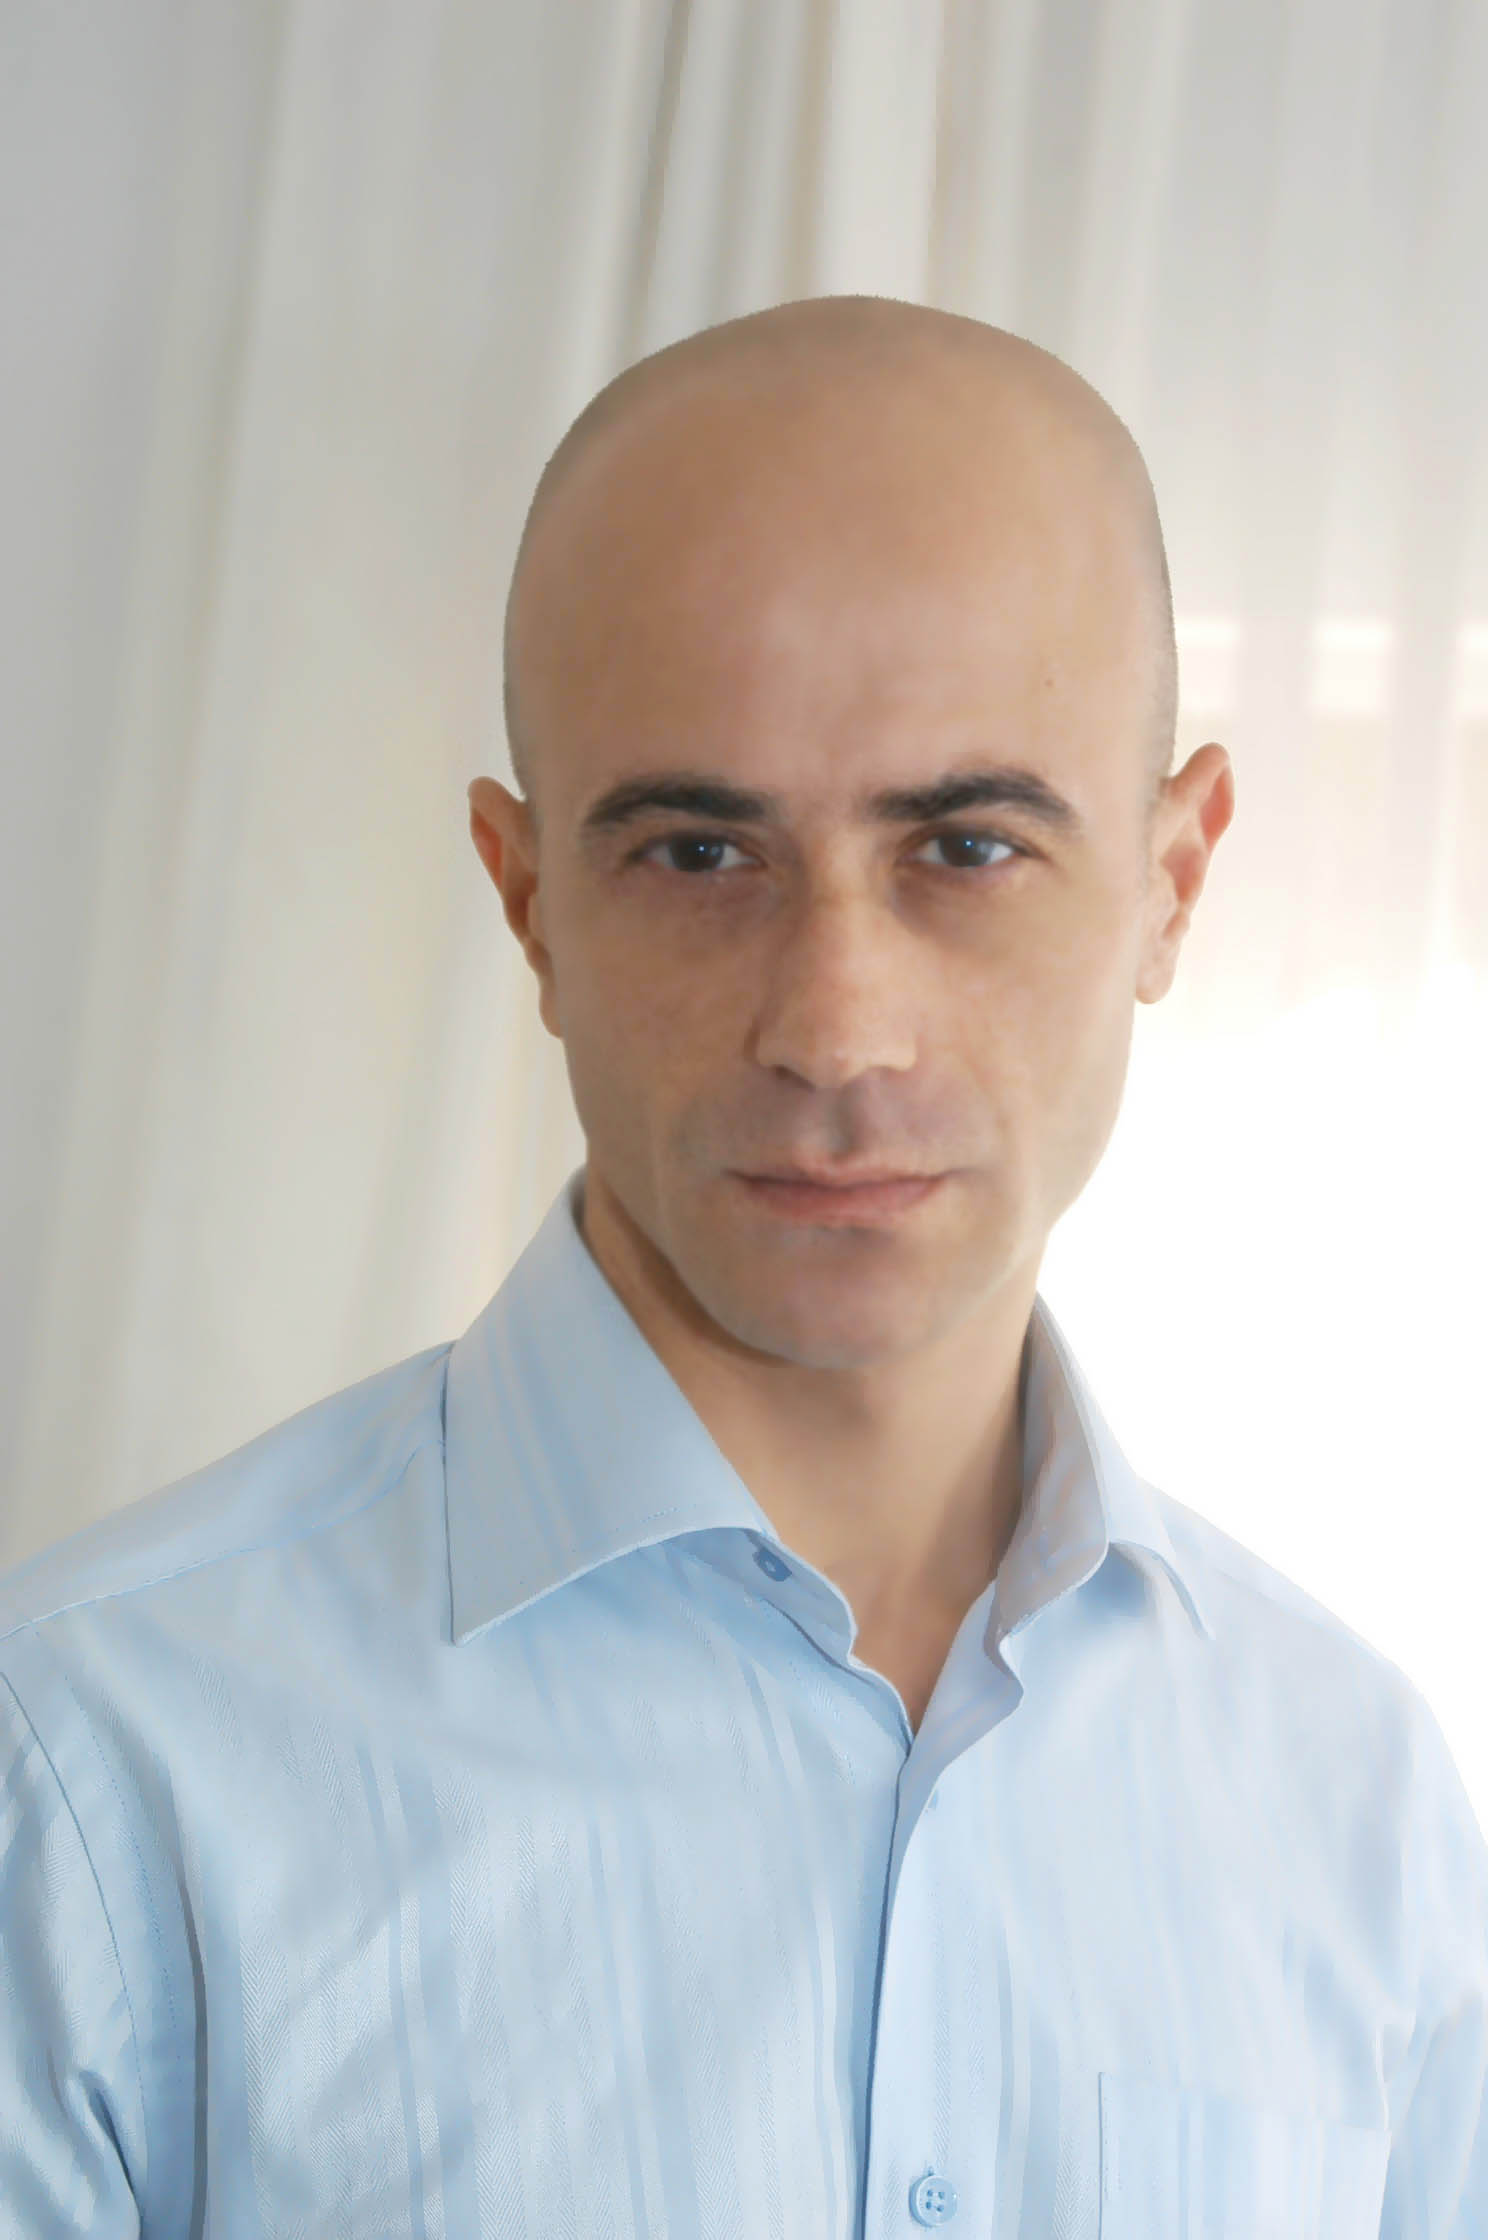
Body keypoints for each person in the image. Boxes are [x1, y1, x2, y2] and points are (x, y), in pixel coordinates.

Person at [1, 294, 1482, 2236]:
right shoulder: (87, 1766)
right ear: (530, 901)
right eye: (701, 854)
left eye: (966, 846)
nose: (837, 1028)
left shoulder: (1363, 1809)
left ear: (1173, 878)